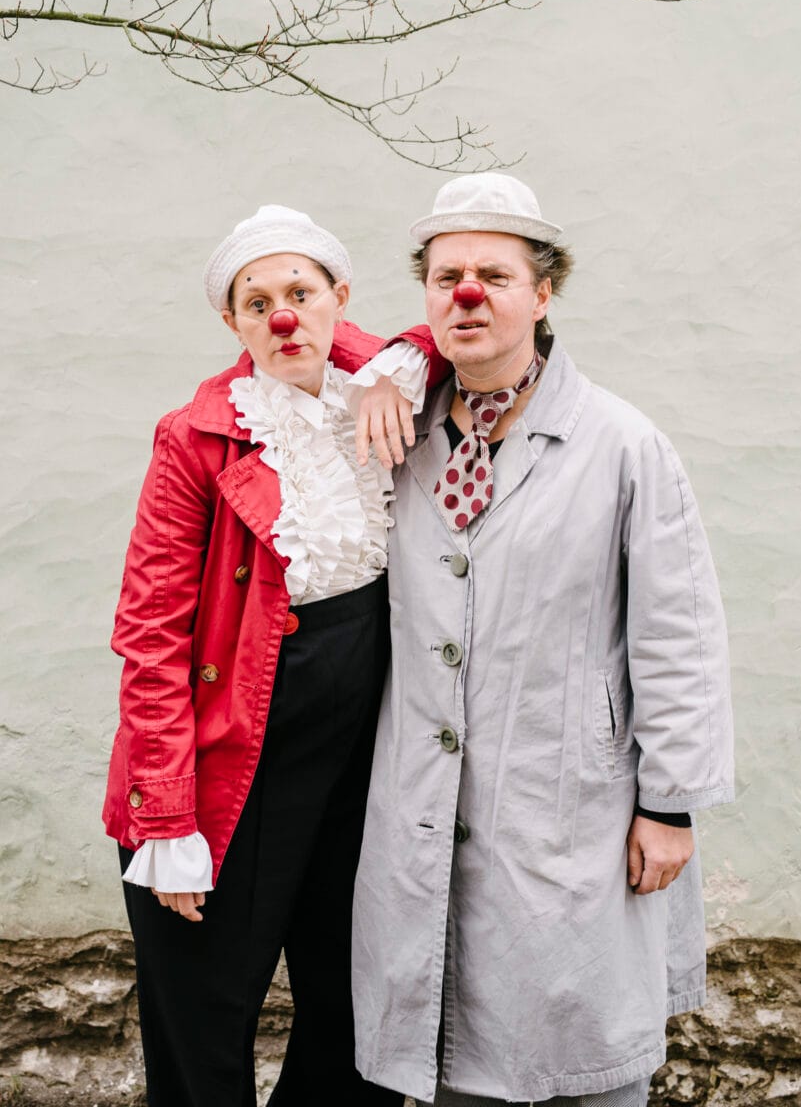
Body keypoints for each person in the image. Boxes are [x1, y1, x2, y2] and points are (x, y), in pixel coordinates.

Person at [350, 174, 735, 1107]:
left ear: (543, 292)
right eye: (445, 277)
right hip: (426, 802)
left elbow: (677, 635)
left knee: (584, 1056)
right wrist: (387, 366)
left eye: (494, 275)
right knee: (451, 1056)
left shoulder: (621, 444)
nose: (466, 294)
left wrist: (670, 805)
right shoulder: (395, 435)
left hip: (573, 807)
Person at [101, 204, 444, 1107]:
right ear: (233, 323)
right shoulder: (196, 436)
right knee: (204, 1019)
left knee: (354, 1010)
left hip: (358, 766)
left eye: (301, 292)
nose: (283, 315)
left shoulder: (382, 387)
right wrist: (167, 816)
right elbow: (150, 631)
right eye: (257, 303)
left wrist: (406, 358)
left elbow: (462, 333)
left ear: (340, 296)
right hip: (228, 762)